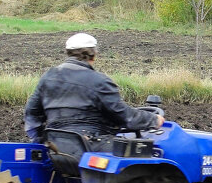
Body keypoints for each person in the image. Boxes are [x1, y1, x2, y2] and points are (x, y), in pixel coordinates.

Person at [24, 32, 163, 144]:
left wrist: (39, 140)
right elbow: (124, 116)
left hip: (57, 148)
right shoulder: (100, 81)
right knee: (145, 153)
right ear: (93, 54)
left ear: (69, 53)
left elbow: (31, 112)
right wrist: (153, 119)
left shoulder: (48, 77)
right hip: (92, 145)